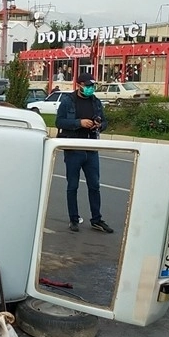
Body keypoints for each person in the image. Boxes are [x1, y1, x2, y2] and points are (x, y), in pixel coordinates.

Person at [55, 72, 114, 234]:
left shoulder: (95, 102)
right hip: (74, 148)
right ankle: (74, 219)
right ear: (79, 85)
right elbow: (59, 121)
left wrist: (99, 125)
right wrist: (79, 122)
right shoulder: (68, 101)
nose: (90, 88)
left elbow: (104, 121)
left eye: (92, 86)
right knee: (72, 186)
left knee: (94, 185)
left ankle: (97, 219)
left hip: (91, 148)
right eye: (87, 86)